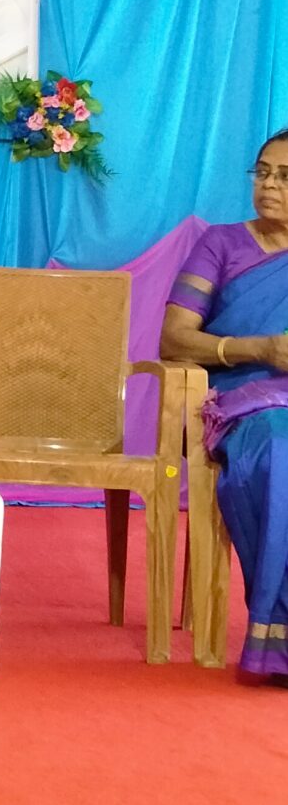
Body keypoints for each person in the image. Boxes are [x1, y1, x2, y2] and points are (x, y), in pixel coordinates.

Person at [160, 129, 288, 682]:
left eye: (285, 176)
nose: (269, 185)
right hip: (241, 407)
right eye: (263, 172)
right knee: (280, 450)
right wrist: (258, 349)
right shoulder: (222, 244)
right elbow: (173, 338)